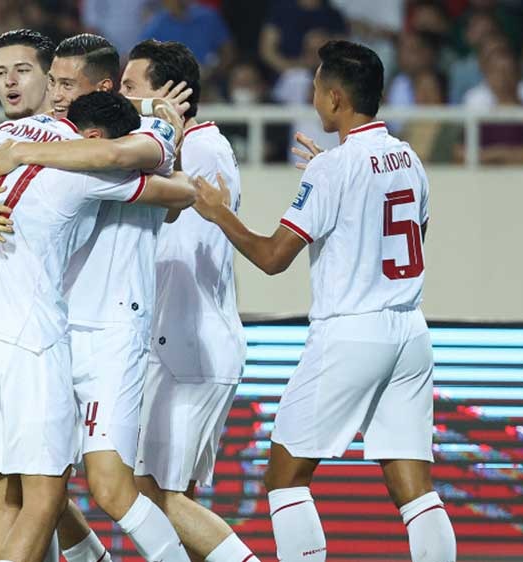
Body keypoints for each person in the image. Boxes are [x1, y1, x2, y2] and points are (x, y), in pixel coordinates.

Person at [191, 40, 457, 562]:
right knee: (415, 488)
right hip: (410, 331)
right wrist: (330, 178)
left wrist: (219, 213)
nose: (312, 96)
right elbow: (413, 232)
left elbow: (272, 257)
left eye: (315, 87)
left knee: (285, 476)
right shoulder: (407, 157)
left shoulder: (333, 170)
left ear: (335, 98)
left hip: (350, 333)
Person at [0, 32, 197, 562]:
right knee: (32, 491)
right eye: (56, 81)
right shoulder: (40, 152)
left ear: (103, 87)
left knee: (96, 488)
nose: (58, 91)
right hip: (48, 332)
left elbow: (181, 193)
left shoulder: (99, 144)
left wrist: (23, 155)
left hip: (106, 329)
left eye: (66, 81)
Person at [117, 39, 260, 562]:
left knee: (151, 493)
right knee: (167, 493)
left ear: (173, 95)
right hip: (187, 341)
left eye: (131, 88)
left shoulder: (197, 150)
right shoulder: (197, 147)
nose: (121, 97)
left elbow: (176, 232)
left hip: (185, 345)